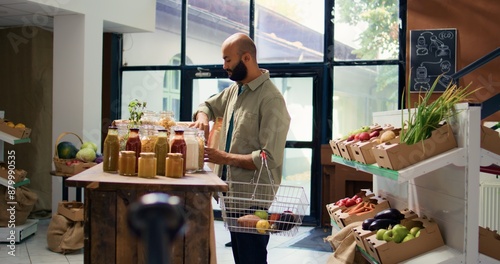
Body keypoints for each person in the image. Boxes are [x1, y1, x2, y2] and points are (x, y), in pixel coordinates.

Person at [191, 33, 290, 264]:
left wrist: (222, 157)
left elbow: (268, 157)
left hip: (253, 198)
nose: (224, 66)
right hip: (233, 195)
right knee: (243, 258)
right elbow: (206, 104)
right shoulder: (236, 90)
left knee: (251, 259)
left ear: (246, 58)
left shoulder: (271, 100)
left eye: (228, 60)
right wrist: (203, 117)